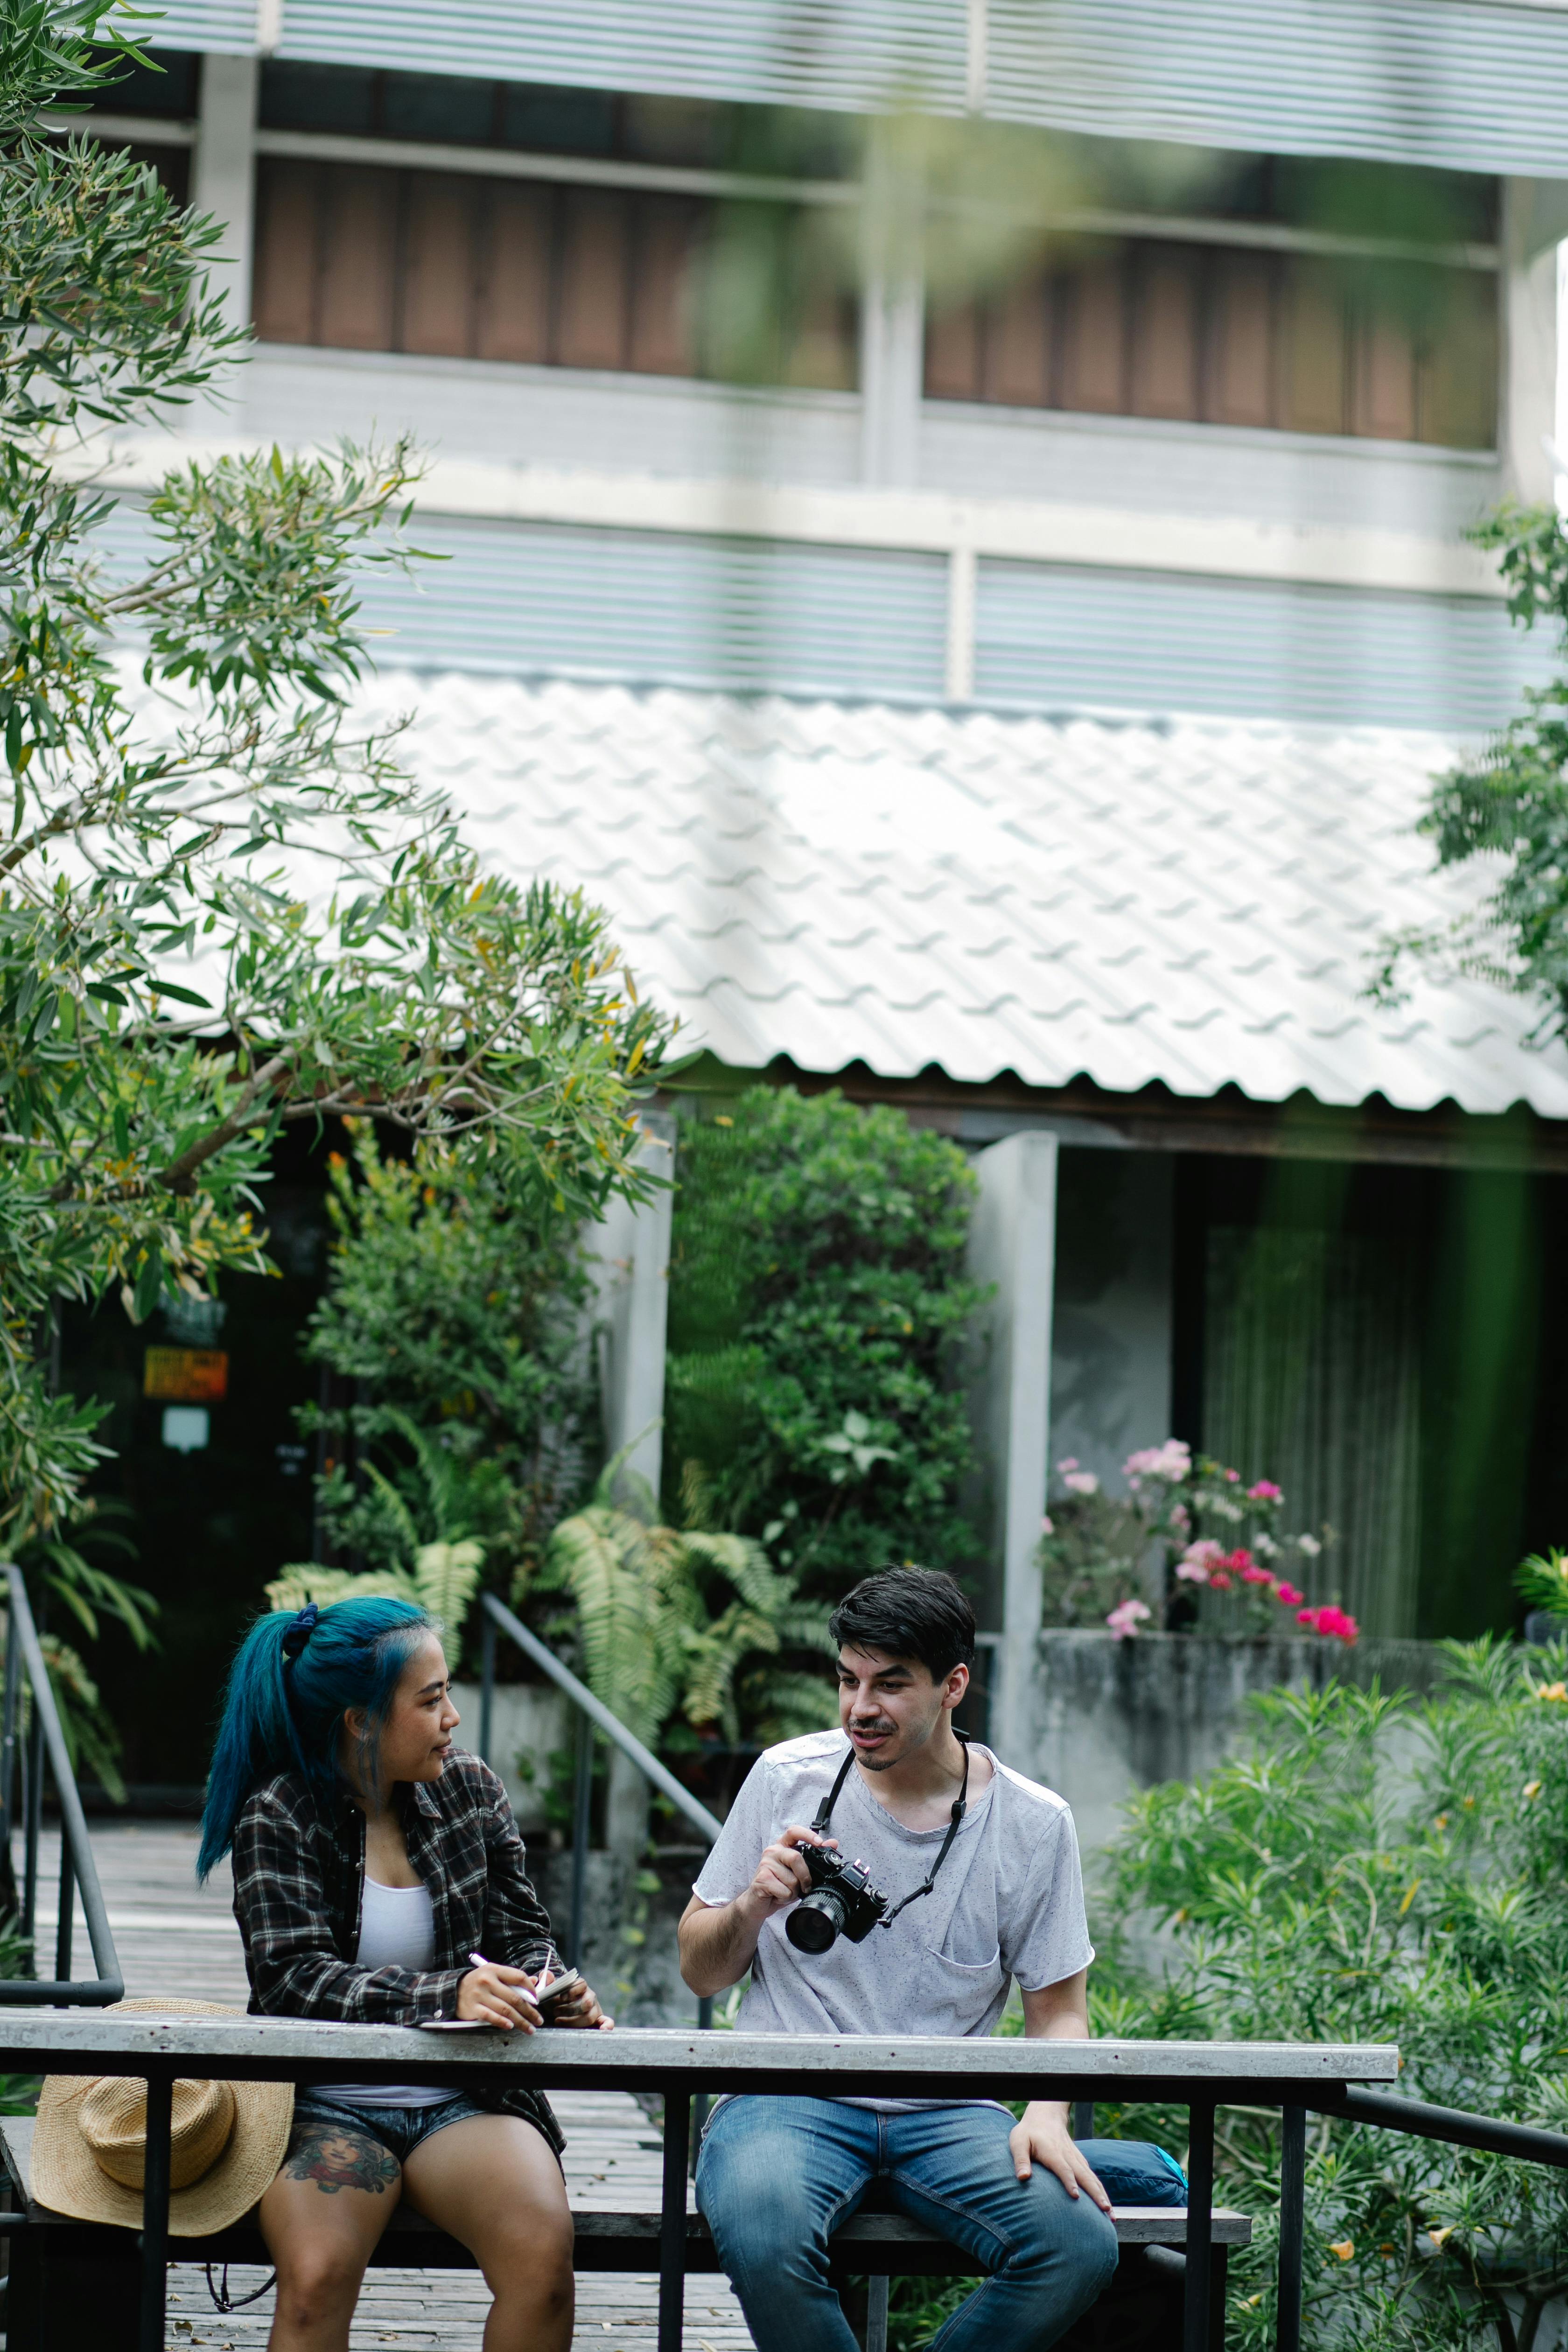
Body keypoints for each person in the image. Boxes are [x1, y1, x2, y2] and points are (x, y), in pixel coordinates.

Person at [680, 1565, 1163, 2352]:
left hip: (951, 2111)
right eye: (848, 1680)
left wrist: (1046, 2112)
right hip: (783, 2095)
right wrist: (753, 1906)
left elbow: (1061, 2009)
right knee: (767, 2234)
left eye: (890, 1685)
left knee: (1074, 2247)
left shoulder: (1034, 1824)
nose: (860, 1709)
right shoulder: (786, 1777)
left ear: (953, 1686)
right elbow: (700, 1970)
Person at [197, 1593, 609, 2352]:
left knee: (543, 2263)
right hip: (326, 2107)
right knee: (316, 2279)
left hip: (464, 2098)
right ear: (361, 1720)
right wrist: (445, 1992)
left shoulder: (472, 1791)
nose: (453, 1715)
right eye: (431, 1699)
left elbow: (522, 1936)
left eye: (448, 1691)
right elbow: (292, 1977)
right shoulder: (281, 1813)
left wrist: (551, 1989)